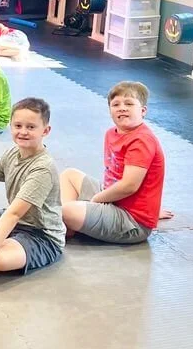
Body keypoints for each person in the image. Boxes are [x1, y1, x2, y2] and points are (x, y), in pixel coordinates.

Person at [0, 98, 65, 279]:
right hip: (15, 220)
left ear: (45, 131)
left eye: (31, 127)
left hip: (41, 235)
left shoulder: (43, 168)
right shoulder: (12, 153)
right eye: (18, 126)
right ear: (11, 126)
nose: (23, 132)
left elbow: (14, 213)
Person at [60, 81, 166, 244]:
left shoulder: (142, 140)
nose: (122, 108)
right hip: (113, 200)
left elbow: (129, 186)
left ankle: (66, 221)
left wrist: (97, 199)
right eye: (116, 104)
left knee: (66, 210)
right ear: (110, 111)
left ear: (143, 111)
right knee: (69, 175)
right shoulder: (111, 133)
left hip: (131, 221)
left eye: (129, 104)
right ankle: (69, 224)